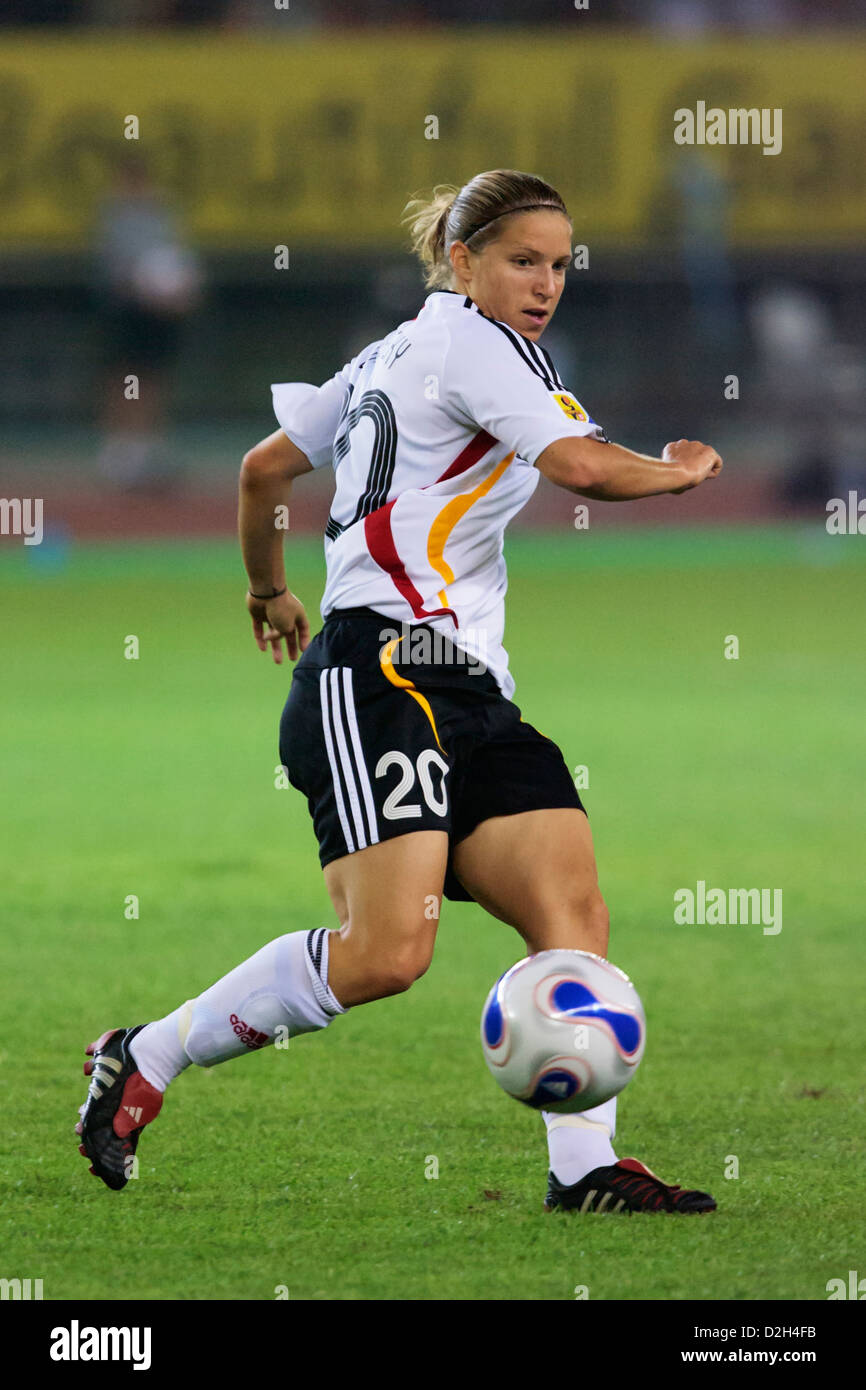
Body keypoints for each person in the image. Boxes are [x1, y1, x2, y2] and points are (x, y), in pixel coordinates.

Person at [76, 169, 721, 1214]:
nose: (544, 281)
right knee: (385, 954)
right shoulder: (471, 347)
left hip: (469, 690)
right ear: (461, 261)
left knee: (571, 908)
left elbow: (261, 471)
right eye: (521, 259)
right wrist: (678, 471)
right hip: (376, 674)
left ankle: (583, 1168)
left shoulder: (406, 351)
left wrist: (265, 588)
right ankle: (143, 1053)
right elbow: (586, 471)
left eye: (559, 262)